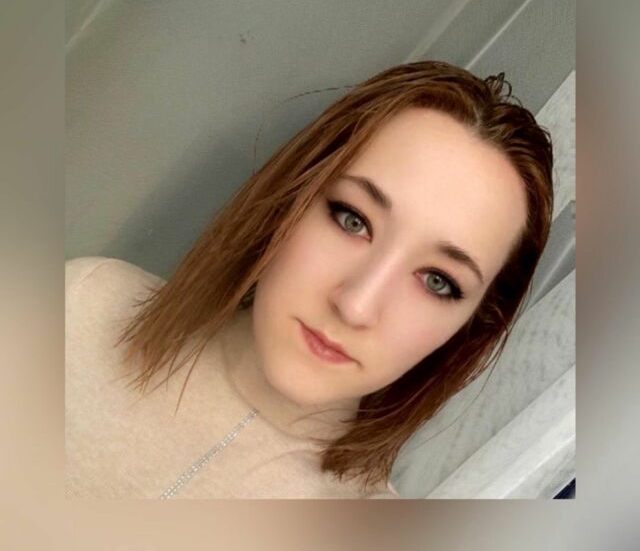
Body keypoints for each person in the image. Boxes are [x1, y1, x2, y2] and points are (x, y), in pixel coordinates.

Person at [65, 60, 554, 499]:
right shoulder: (80, 306)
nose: (356, 305)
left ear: (471, 326)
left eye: (438, 281)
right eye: (352, 219)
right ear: (292, 196)